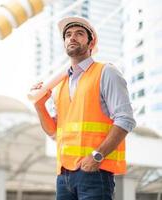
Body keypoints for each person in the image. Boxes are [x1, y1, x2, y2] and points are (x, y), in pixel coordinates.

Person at [31, 16, 136, 200]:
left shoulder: (106, 72)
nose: (72, 38)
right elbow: (54, 132)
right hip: (64, 176)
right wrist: (39, 105)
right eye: (68, 35)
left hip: (95, 172)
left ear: (91, 42)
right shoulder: (59, 84)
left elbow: (125, 119)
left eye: (79, 34)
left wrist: (97, 156)